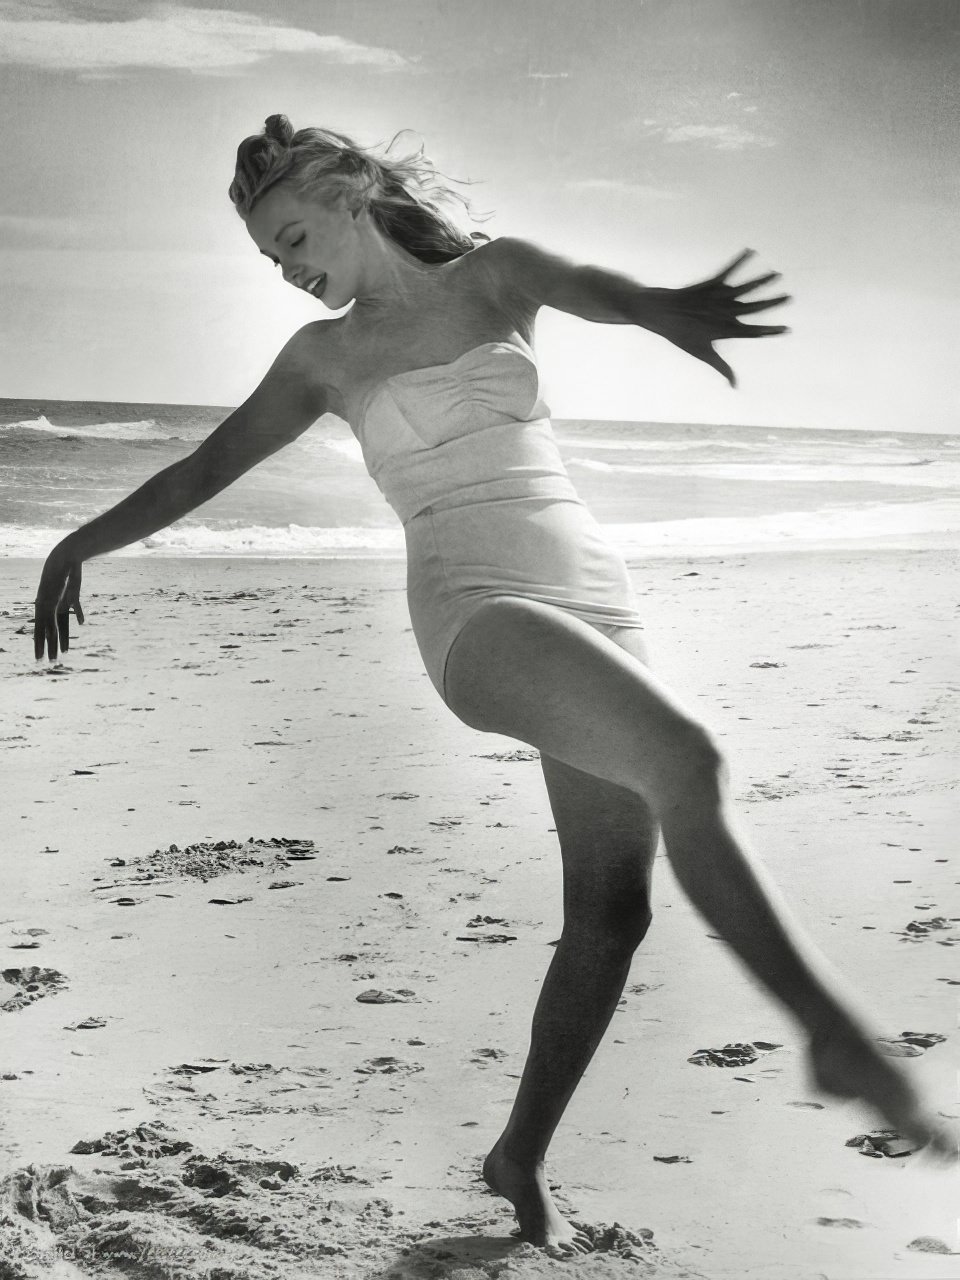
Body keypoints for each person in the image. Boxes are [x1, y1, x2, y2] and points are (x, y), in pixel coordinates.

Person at [33, 116, 954, 1258]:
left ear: (353, 191)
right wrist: (78, 540)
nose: (287, 266)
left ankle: (519, 1152)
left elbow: (593, 285)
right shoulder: (323, 357)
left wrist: (668, 307)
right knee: (690, 762)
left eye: (295, 235)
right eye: (270, 256)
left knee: (612, 912)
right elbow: (199, 467)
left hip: (596, 601)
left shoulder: (496, 276)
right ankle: (831, 1032)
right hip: (477, 612)